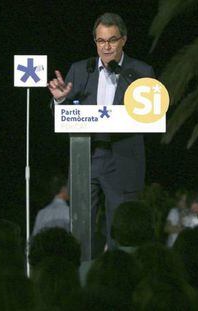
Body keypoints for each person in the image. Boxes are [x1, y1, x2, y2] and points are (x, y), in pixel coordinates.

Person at [48, 12, 155, 252]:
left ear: (123, 40)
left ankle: (117, 277)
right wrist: (61, 100)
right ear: (95, 41)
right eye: (100, 41)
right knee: (81, 226)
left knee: (120, 228)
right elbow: (61, 114)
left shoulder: (140, 71)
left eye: (112, 40)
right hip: (86, 156)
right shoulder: (80, 70)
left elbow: (152, 115)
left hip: (122, 158)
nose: (106, 47)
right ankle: (82, 276)